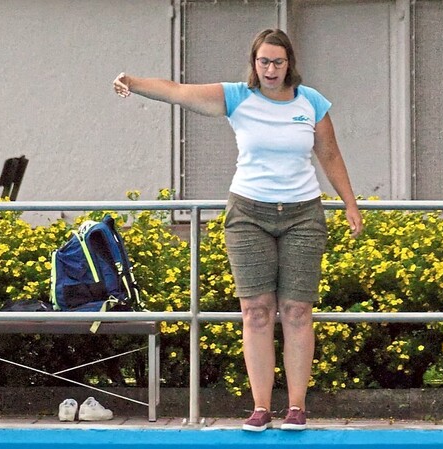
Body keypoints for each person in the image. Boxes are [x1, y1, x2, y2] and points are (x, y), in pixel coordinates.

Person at [113, 28, 363, 432]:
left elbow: (329, 153)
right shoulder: (237, 97)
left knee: (298, 310)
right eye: (263, 61)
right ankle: (261, 406)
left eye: (277, 62)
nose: (270, 69)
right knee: (257, 312)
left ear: (289, 64)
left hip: (303, 214)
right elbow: (177, 90)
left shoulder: (310, 101)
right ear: (254, 63)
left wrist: (350, 203)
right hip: (248, 213)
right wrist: (133, 82)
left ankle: (296, 407)